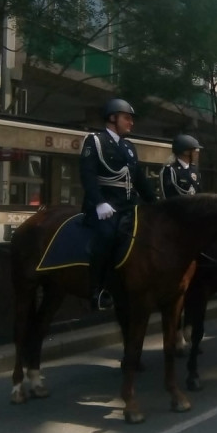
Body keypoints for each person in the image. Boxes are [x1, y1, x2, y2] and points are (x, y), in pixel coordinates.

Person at [80, 97, 157, 311]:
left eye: (131, 119)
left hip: (129, 206)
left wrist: (156, 204)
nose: (131, 122)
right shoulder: (95, 141)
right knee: (106, 236)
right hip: (105, 207)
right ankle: (97, 290)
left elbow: (139, 180)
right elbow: (87, 175)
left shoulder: (129, 147)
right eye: (127, 118)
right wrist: (99, 203)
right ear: (113, 118)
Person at [160, 134, 202, 198]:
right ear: (186, 152)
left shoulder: (194, 169)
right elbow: (168, 196)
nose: (196, 153)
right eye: (194, 150)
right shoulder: (171, 170)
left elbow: (199, 193)